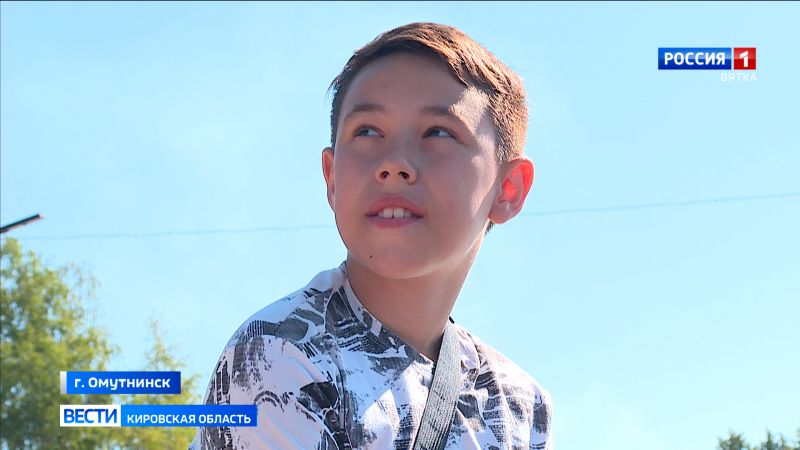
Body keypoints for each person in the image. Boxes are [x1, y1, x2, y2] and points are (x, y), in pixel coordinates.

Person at [190, 22, 552, 450]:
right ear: (332, 178)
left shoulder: (519, 405)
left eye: (438, 132)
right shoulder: (279, 354)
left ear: (508, 189)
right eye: (366, 131)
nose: (394, 164)